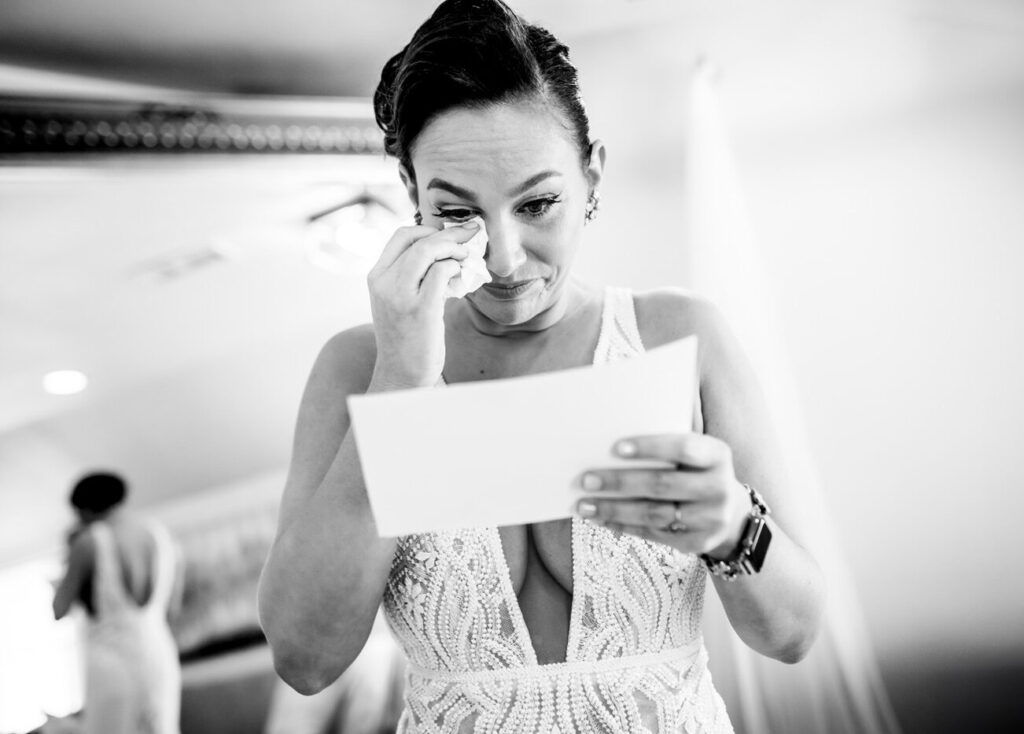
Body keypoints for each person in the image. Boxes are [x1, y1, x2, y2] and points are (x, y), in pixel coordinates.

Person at [258, 1, 826, 731]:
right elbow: (304, 661)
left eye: (539, 203)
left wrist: (732, 526)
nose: (503, 259)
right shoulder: (355, 366)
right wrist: (400, 380)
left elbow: (793, 634)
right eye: (456, 212)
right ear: (410, 197)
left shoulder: (679, 337)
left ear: (592, 178)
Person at [53, 472, 183, 734]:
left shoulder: (87, 542)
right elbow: (172, 610)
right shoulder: (159, 534)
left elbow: (59, 608)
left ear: (85, 510)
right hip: (159, 656)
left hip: (110, 663)